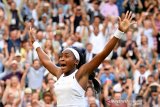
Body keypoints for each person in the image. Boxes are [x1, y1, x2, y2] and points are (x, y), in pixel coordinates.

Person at [29, 11, 134, 107]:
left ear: (76, 61)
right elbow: (46, 61)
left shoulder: (81, 73)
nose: (61, 59)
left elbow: (102, 54)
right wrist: (34, 43)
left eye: (66, 56)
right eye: (61, 56)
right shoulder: (59, 73)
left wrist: (119, 32)